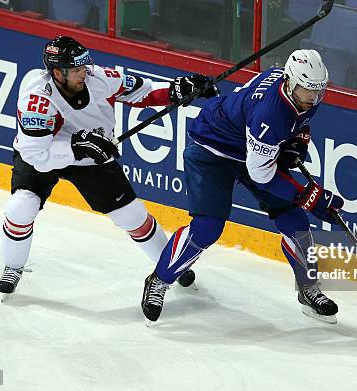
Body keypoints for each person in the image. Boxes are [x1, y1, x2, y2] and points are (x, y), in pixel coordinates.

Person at [0, 36, 218, 299]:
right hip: (45, 152)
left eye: (84, 66)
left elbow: (141, 91)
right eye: (76, 70)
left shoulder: (99, 78)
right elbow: (37, 155)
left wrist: (177, 90)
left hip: (92, 156)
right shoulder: (37, 100)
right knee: (21, 206)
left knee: (132, 216)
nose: (84, 73)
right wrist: (76, 147)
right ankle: (13, 267)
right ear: (57, 72)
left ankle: (171, 266)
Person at [141, 49, 344, 325]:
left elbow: (296, 125)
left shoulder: (301, 93)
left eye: (318, 92)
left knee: (295, 222)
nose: (312, 99)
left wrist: (298, 142)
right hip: (212, 149)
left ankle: (308, 290)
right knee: (207, 228)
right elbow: (261, 174)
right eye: (307, 91)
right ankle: (159, 279)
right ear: (289, 81)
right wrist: (308, 196)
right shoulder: (270, 113)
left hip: (254, 149)